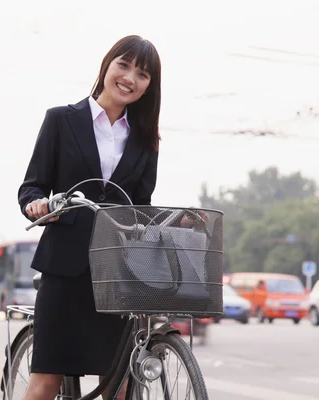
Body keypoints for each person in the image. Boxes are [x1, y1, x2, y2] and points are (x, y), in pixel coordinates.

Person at [18, 35, 192, 400]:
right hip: (65, 266)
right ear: (107, 66)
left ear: (149, 87)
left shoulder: (147, 141)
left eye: (142, 74)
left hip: (117, 274)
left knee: (120, 384)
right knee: (47, 380)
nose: (130, 78)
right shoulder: (62, 120)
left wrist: (175, 220)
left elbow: (139, 205)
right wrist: (38, 205)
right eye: (124, 65)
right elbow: (31, 188)